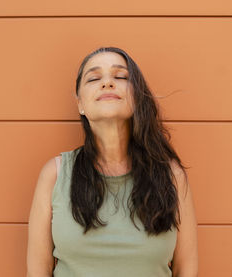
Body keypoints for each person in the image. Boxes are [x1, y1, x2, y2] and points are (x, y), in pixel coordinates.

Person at [26, 46, 198, 277]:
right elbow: (38, 270)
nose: (107, 83)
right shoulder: (55, 174)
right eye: (94, 78)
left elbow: (186, 269)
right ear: (80, 105)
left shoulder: (172, 176)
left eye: (120, 76)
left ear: (137, 96)